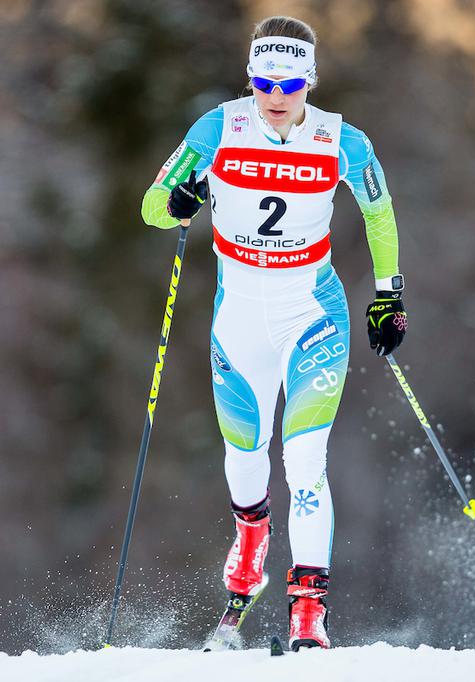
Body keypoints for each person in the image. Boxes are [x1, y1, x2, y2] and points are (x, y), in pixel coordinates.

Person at [140, 15, 406, 651]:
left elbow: (380, 216)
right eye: (264, 79)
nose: (276, 94)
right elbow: (152, 205)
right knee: (244, 454)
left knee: (305, 460)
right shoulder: (218, 128)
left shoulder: (343, 141)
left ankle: (308, 607)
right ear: (250, 77)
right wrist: (174, 202)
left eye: (290, 81)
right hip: (239, 319)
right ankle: (252, 536)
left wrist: (388, 297)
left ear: (309, 81)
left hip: (312, 314)